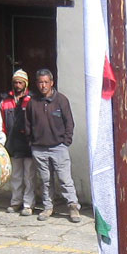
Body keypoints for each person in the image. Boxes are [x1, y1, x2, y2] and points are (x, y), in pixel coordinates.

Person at [28, 69, 80, 222]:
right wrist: (31, 142)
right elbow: (28, 123)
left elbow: (69, 122)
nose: (43, 85)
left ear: (51, 83)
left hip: (59, 147)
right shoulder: (33, 102)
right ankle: (48, 207)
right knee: (45, 180)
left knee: (64, 179)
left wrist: (66, 141)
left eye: (46, 82)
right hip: (39, 148)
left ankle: (73, 206)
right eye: (40, 82)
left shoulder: (61, 100)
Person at [0, 70, 37, 215]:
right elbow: (0, 124)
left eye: (20, 82)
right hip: (12, 144)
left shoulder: (32, 100)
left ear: (25, 84)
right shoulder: (5, 101)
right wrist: (2, 143)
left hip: (28, 143)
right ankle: (15, 202)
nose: (18, 85)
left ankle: (28, 204)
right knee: (16, 176)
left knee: (29, 176)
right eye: (15, 82)